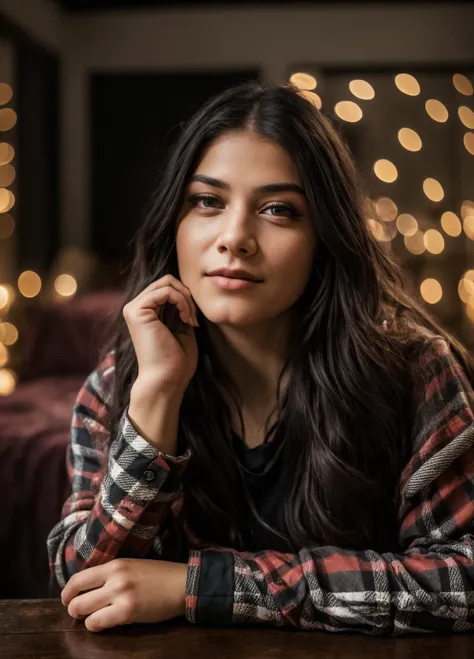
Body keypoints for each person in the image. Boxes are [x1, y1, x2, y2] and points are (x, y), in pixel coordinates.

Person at [47, 81, 474, 635]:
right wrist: (155, 401)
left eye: (278, 210)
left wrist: (208, 587)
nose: (234, 237)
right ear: (174, 220)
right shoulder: (118, 384)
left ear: (326, 235)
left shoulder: (416, 371)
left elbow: (463, 581)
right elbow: (86, 586)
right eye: (207, 202)